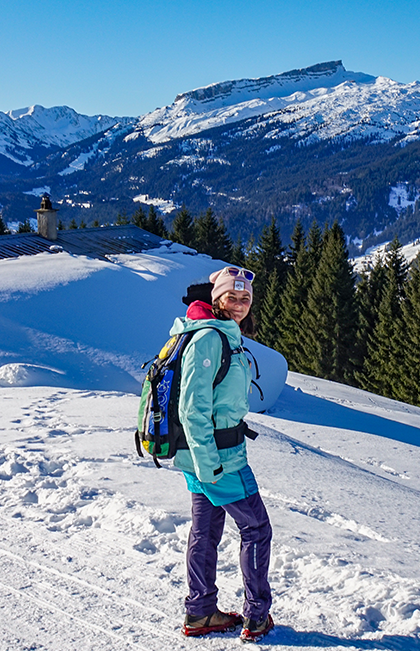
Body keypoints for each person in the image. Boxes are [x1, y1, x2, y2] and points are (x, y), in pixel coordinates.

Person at [172, 266, 274, 641]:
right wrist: (209, 463)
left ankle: (200, 612)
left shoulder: (219, 334)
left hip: (204, 456)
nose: (240, 305)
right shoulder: (209, 339)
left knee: (205, 530)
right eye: (232, 297)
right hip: (219, 458)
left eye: (245, 298)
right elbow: (191, 408)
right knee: (257, 529)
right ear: (217, 299)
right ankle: (257, 616)